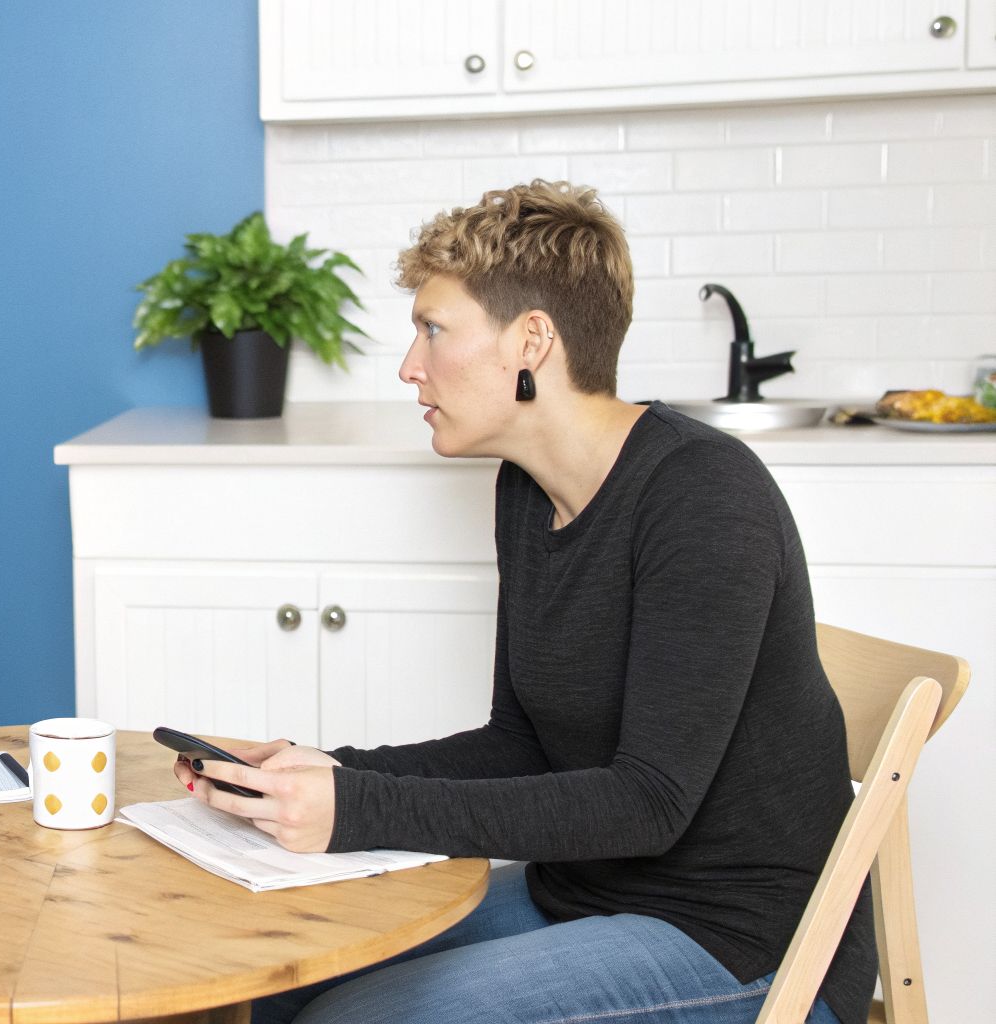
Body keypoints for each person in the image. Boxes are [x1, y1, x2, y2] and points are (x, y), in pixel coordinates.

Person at [176, 181, 871, 1024]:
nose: (409, 366)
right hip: (583, 892)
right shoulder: (526, 489)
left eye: (434, 329)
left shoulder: (702, 495)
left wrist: (354, 808)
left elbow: (649, 801)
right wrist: (324, 770)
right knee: (281, 983)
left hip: (740, 938)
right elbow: (521, 741)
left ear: (531, 341)